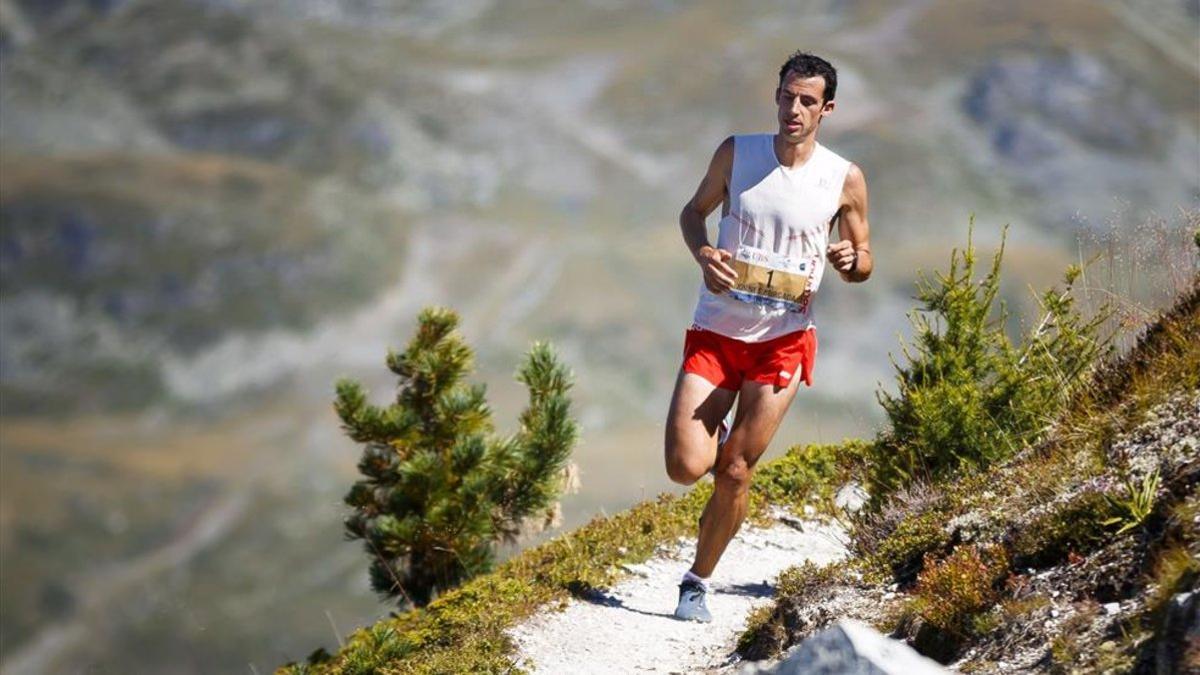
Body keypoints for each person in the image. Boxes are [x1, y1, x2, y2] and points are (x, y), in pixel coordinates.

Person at [664, 50, 872, 622]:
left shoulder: (843, 177)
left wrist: (851, 259)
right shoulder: (738, 152)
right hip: (717, 331)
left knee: (735, 470)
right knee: (685, 466)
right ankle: (722, 438)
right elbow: (692, 212)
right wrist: (703, 250)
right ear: (776, 96)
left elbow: (863, 262)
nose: (794, 109)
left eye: (808, 101)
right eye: (787, 96)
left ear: (827, 108)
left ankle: (696, 583)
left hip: (782, 340)